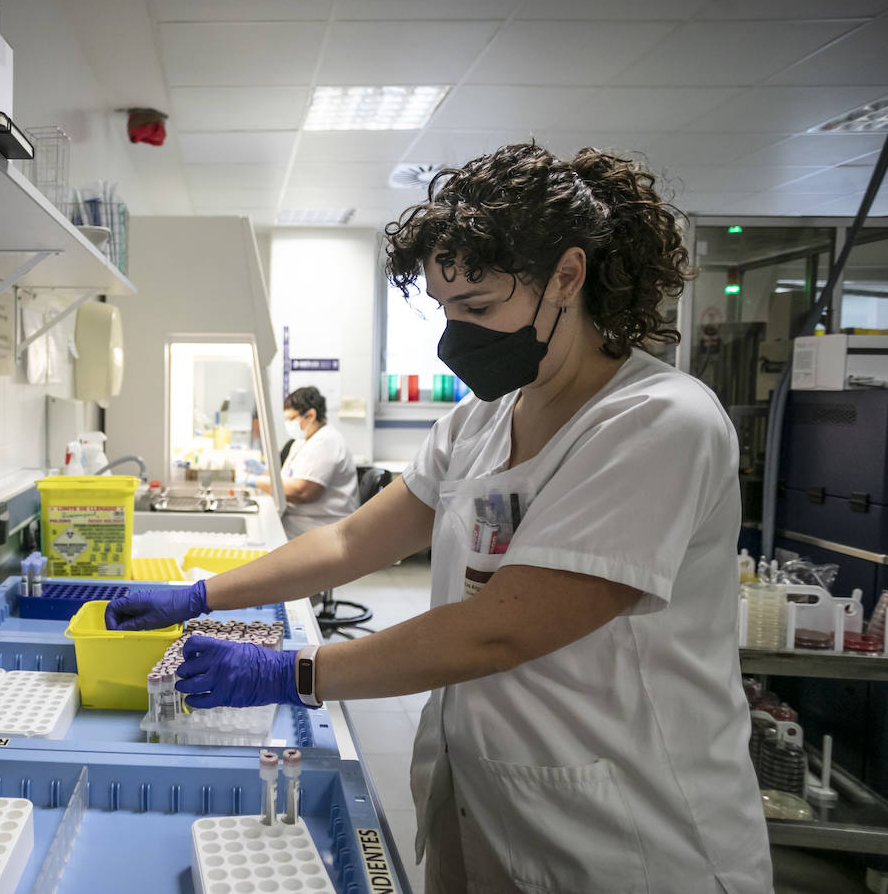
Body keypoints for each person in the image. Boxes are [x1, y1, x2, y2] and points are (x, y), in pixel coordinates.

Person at [106, 143, 772, 893]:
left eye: (479, 306)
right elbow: (355, 538)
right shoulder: (481, 418)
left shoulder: (658, 422)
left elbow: (501, 629)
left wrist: (295, 671)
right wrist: (205, 593)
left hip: (629, 830)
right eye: (446, 308)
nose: (458, 334)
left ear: (568, 276)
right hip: (485, 796)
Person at [245, 386, 359, 539]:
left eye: (292, 418)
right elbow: (286, 479)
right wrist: (265, 473)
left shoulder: (326, 442)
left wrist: (254, 481)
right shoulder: (302, 441)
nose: (288, 423)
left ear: (311, 415)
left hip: (321, 529)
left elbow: (303, 492)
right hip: (301, 523)